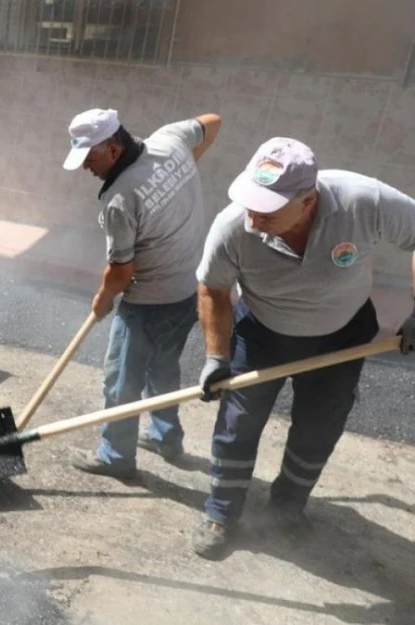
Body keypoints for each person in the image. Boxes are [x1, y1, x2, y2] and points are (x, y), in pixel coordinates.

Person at [191, 137, 415, 559]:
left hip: (341, 334)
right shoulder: (234, 226)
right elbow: (213, 289)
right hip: (261, 333)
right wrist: (216, 358)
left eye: (268, 208)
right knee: (238, 425)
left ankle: (287, 509)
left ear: (308, 200)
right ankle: (221, 512)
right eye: (250, 202)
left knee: (319, 427)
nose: (254, 216)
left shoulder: (363, 201)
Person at [62, 108, 221, 479]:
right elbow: (213, 121)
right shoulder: (171, 139)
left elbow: (121, 272)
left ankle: (116, 455)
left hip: (149, 302)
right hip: (188, 290)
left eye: (90, 158)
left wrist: (102, 301)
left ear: (113, 150)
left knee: (121, 380)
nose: (87, 167)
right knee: (163, 366)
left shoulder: (120, 198)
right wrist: (184, 169)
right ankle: (166, 438)